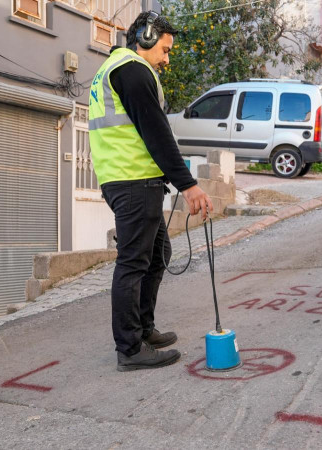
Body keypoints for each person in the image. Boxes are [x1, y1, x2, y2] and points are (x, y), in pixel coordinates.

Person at [88, 11, 213, 371]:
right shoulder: (132, 71)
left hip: (128, 179)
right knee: (134, 262)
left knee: (158, 253)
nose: (167, 59)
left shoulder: (112, 70)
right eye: (164, 49)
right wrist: (188, 185)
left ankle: (143, 329)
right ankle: (129, 348)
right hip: (133, 180)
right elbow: (156, 132)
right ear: (144, 38)